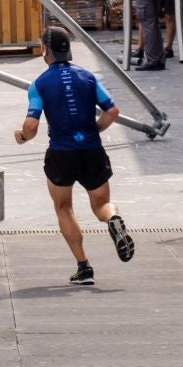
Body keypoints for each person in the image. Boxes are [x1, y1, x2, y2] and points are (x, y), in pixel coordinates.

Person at [13, 26, 134, 286]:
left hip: (61, 154)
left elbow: (31, 126)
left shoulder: (39, 84)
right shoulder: (88, 77)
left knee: (64, 208)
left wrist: (22, 137)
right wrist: (96, 129)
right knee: (101, 205)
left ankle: (84, 266)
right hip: (92, 150)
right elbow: (112, 110)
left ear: (45, 49)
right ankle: (113, 219)